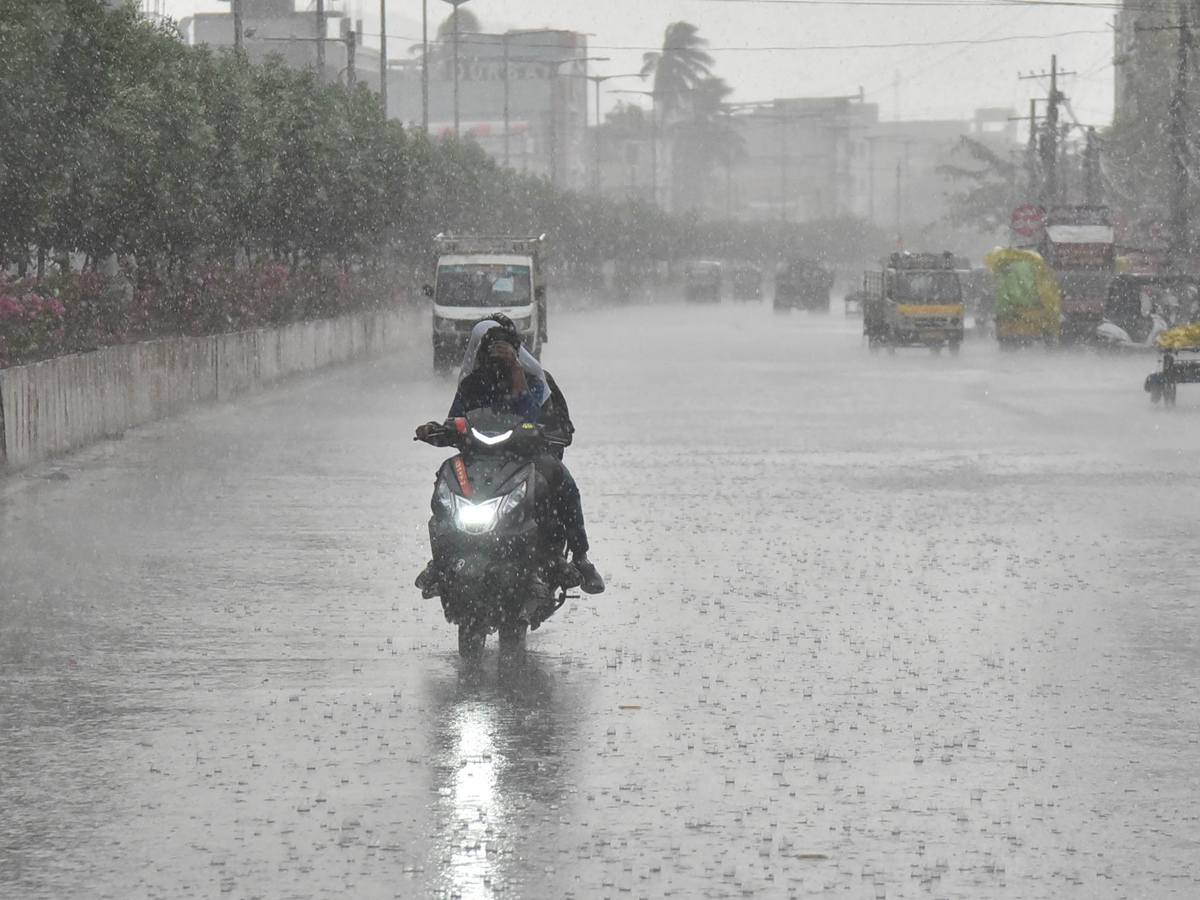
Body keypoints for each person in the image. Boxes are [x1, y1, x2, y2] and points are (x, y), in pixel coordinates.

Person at [415, 315, 604, 595]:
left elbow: (530, 412)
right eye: (488, 349)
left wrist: (515, 370)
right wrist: (434, 430)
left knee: (562, 482)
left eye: (503, 350)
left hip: (527, 456)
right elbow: (455, 421)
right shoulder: (471, 384)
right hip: (479, 458)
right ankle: (441, 561)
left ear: (517, 351)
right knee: (445, 480)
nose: (495, 357)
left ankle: (576, 557)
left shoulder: (535, 381)